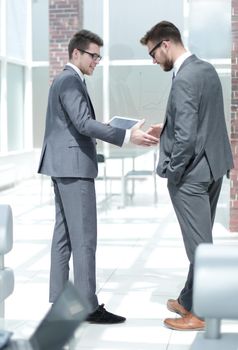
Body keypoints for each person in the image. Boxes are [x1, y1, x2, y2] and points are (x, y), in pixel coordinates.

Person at [38, 29, 159, 324]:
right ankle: (87, 307)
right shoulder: (69, 80)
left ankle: (58, 299)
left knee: (64, 236)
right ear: (76, 53)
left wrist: (116, 128)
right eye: (93, 55)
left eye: (99, 56)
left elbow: (78, 122)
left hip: (63, 166)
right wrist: (125, 134)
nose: (97, 61)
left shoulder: (68, 80)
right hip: (74, 168)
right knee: (84, 239)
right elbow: (82, 123)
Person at [140, 21, 234, 331]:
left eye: (153, 53)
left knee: (200, 247)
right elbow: (199, 117)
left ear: (165, 44)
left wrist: (171, 171)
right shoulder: (204, 68)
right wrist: (164, 128)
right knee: (202, 239)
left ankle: (204, 313)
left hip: (191, 173)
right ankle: (188, 299)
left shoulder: (183, 79)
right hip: (213, 166)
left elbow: (187, 136)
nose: (153, 61)